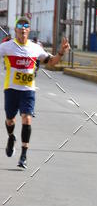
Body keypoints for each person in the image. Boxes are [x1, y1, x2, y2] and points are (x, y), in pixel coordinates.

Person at [2, 17, 69, 169]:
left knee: (27, 119)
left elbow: (51, 62)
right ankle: (11, 137)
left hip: (28, 91)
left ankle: (23, 156)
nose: (23, 29)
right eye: (20, 26)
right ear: (16, 30)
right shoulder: (7, 46)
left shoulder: (35, 48)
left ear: (29, 30)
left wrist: (61, 52)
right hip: (11, 89)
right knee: (10, 120)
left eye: (26, 27)